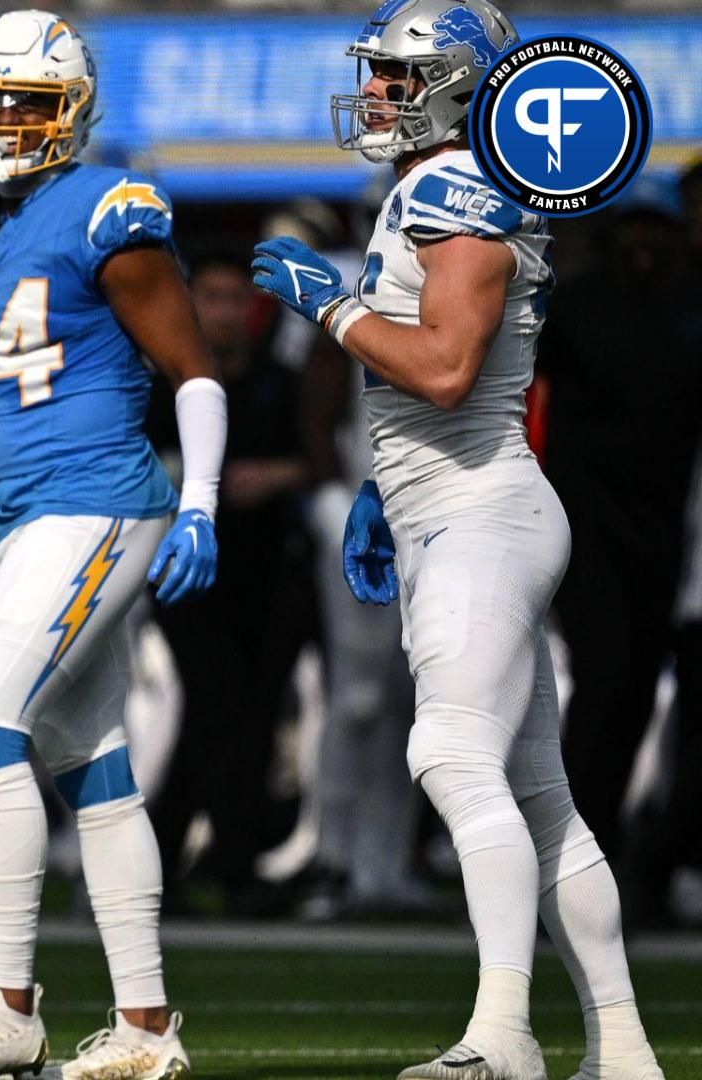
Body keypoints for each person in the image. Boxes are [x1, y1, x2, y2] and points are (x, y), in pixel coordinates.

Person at [252, 2, 663, 1076]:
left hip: (481, 511)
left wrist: (331, 310)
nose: (378, 93)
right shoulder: (435, 187)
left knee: (446, 752)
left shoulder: (455, 187)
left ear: (455, 84)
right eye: (377, 73)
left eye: (397, 76)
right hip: (455, 504)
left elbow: (443, 367)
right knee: (541, 800)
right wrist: (386, 489)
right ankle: (622, 1047)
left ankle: (501, 1035)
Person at [0, 13, 223, 1079]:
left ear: (72, 109)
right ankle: (147, 1030)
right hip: (26, 515)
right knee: (87, 757)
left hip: (103, 497)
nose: (10, 120)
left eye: (31, 101)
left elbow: (195, 368)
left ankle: (10, 1003)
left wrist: (199, 502)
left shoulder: (110, 213)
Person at [540, 181, 702, 905]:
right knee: (602, 690)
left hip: (664, 535)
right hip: (584, 531)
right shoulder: (572, 306)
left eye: (656, 228)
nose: (644, 241)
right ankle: (570, 862)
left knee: (636, 696)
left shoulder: (692, 306)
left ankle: (600, 861)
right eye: (632, 226)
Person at [145, 254, 314, 916]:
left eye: (234, 299)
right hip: (189, 578)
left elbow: (315, 458)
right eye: (210, 297)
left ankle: (178, 865)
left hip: (266, 570)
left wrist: (273, 476)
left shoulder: (277, 379)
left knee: (250, 717)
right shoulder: (167, 382)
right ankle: (233, 866)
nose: (223, 312)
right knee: (215, 716)